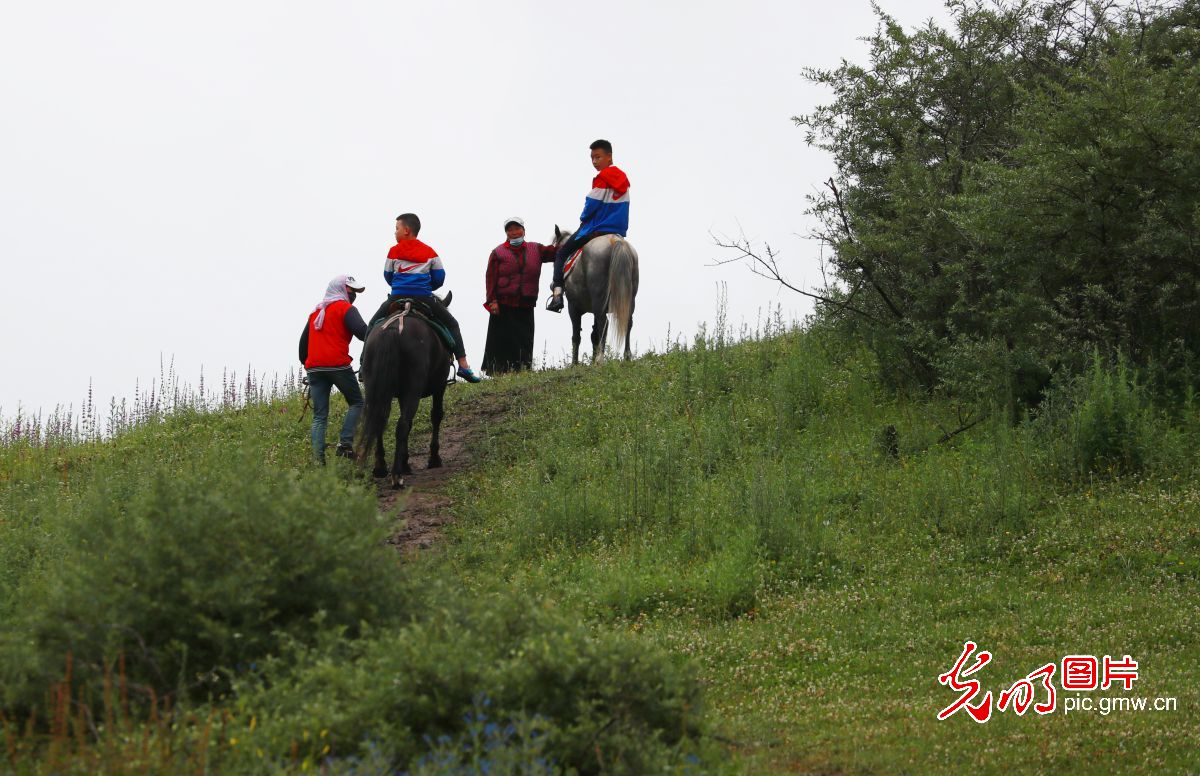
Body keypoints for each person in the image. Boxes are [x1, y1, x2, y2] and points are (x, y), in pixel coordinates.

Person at [368, 212, 483, 383]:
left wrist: (400, 286)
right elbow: (439, 277)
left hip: (397, 296)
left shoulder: (393, 251)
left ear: (406, 230)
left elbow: (387, 275)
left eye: (396, 228)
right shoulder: (430, 251)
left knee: (373, 324)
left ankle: (365, 365)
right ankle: (463, 366)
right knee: (452, 324)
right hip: (424, 297)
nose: (395, 232)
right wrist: (427, 287)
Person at [547, 138, 631, 312]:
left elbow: (592, 203)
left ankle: (557, 295)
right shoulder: (624, 180)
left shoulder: (602, 177)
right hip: (617, 230)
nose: (594, 161)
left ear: (609, 156)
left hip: (595, 229)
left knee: (561, 254)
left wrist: (583, 216)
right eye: (592, 158)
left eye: (598, 157)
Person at [299, 274, 367, 463]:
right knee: (357, 403)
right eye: (351, 290)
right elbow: (363, 333)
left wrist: (308, 365)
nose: (354, 294)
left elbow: (303, 344)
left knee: (319, 416)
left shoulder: (315, 313)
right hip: (337, 366)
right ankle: (345, 444)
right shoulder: (346, 309)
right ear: (341, 289)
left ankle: (318, 461)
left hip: (314, 369)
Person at [482, 216, 556, 373]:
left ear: (524, 230)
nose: (514, 232)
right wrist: (492, 301)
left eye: (517, 229)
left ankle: (522, 370)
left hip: (525, 304)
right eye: (510, 230)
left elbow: (555, 253)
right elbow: (490, 279)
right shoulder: (498, 252)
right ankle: (498, 372)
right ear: (506, 233)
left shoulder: (536, 249)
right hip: (503, 304)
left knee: (524, 340)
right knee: (501, 341)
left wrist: (569, 241)